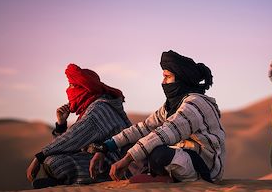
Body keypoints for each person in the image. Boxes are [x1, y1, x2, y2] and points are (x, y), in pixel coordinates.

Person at [89, 50, 226, 183]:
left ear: (181, 79)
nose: (163, 82)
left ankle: (161, 178)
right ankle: (156, 176)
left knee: (158, 152)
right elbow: (143, 128)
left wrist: (127, 159)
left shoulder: (196, 104)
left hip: (205, 168)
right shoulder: (171, 106)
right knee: (129, 145)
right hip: (184, 157)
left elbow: (165, 133)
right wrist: (105, 147)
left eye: (167, 77)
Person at [26, 63, 132, 188]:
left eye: (72, 86)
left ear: (84, 88)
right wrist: (61, 124)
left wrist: (40, 156)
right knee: (53, 159)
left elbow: (73, 138)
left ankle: (66, 183)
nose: (68, 90)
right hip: (96, 158)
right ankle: (60, 182)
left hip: (113, 163)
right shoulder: (90, 108)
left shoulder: (99, 109)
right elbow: (67, 145)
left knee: (54, 162)